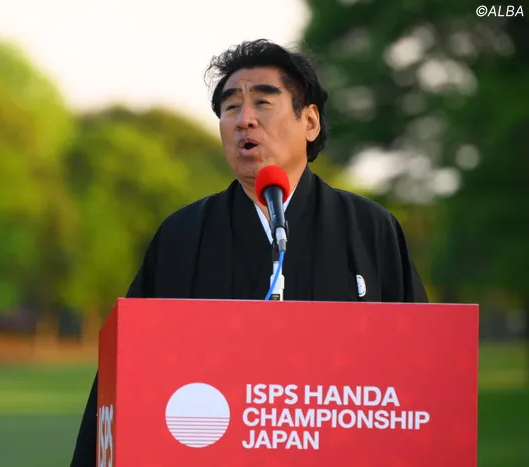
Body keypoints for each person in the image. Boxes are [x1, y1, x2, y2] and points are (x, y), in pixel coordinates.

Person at [69, 39, 428, 465]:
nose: (244, 120)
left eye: (263, 102)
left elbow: (415, 373)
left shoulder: (369, 229)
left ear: (310, 121)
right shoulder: (183, 235)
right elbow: (128, 370)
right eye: (230, 107)